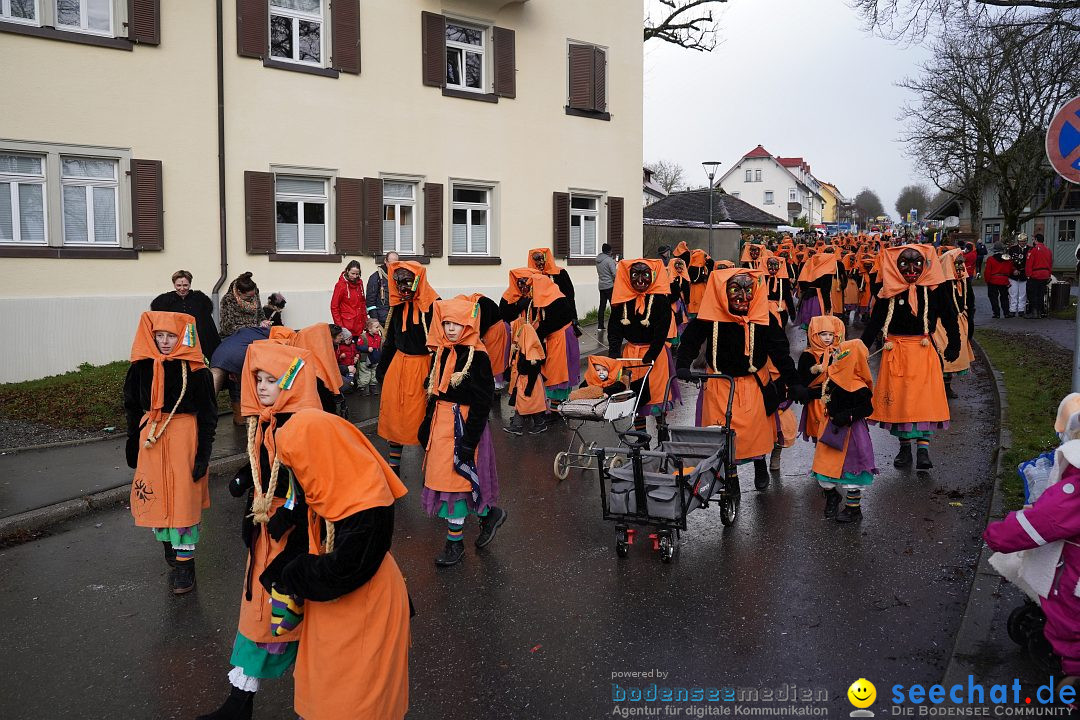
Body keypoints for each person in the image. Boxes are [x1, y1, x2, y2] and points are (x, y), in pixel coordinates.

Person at [195, 342, 322, 720]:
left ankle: (317, 702)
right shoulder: (264, 422)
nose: (263, 387)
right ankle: (239, 702)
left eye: (272, 380)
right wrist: (243, 480)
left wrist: (291, 515)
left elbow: (312, 483)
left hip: (295, 539)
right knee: (257, 612)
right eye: (258, 379)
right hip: (267, 532)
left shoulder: (304, 426)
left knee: (299, 616)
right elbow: (266, 465)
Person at [261, 408, 411, 720]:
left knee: (356, 698)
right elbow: (307, 537)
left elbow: (347, 568)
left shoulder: (367, 499)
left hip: (366, 605)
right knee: (326, 688)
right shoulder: (329, 485)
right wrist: (279, 574)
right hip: (334, 606)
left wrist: (295, 574)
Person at [984, 398, 1080, 698]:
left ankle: (1072, 667)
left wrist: (998, 533)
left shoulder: (1074, 491)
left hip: (1075, 571)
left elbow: (1041, 522)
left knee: (1068, 612)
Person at [675, 268, 803, 491]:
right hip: (720, 383)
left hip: (753, 384)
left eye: (748, 291)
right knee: (723, 434)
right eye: (735, 290)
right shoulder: (710, 318)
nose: (743, 298)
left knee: (755, 432)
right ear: (724, 292)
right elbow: (690, 340)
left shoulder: (764, 318)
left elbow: (780, 351)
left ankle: (759, 463)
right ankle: (730, 476)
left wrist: (794, 381)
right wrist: (683, 365)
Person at [124, 311, 217, 594]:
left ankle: (185, 565)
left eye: (171, 336)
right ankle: (170, 548)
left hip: (183, 440)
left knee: (182, 503)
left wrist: (203, 454)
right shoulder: (141, 366)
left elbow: (209, 415)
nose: (164, 342)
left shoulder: (197, 371)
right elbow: (130, 405)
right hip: (151, 439)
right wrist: (132, 440)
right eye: (159, 336)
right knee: (158, 498)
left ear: (182, 337)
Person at [417, 296, 507, 567]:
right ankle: (489, 514)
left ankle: (454, 544)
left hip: (464, 426)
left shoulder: (477, 356)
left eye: (457, 323)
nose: (451, 329)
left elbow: (483, 402)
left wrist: (469, 441)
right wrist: (426, 422)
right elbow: (436, 391)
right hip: (441, 424)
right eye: (446, 323)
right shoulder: (442, 352)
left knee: (455, 484)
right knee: (454, 481)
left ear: (468, 324)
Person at [859, 244, 960, 471]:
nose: (911, 268)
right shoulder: (889, 289)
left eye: (917, 262)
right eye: (905, 263)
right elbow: (875, 321)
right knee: (901, 402)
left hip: (923, 352)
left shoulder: (935, 288)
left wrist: (955, 343)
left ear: (926, 265)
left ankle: (923, 450)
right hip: (896, 352)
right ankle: (904, 449)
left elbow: (949, 316)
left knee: (924, 401)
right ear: (896, 266)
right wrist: (860, 349)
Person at [375, 260, 439, 475]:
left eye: (407, 282)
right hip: (399, 366)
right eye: (398, 283)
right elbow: (391, 339)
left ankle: (430, 468)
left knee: (424, 418)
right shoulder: (398, 305)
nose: (402, 288)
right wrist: (382, 367)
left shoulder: (432, 305)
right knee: (396, 416)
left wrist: (433, 374)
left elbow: (440, 344)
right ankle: (394, 466)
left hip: (423, 366)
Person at [606, 259, 679, 436]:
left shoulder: (660, 300)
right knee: (635, 395)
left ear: (652, 277)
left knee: (657, 394)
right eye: (635, 274)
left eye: (645, 275)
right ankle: (641, 435)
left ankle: (662, 431)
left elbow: (662, 329)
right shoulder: (623, 301)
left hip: (655, 355)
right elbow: (614, 328)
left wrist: (653, 352)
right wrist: (614, 352)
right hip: (631, 354)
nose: (640, 280)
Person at [810, 339, 877, 522]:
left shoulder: (859, 386)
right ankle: (832, 496)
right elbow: (822, 394)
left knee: (851, 471)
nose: (835, 355)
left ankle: (853, 509)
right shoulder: (832, 378)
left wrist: (847, 416)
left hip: (852, 434)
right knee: (824, 468)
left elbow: (867, 409)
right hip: (831, 431)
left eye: (840, 353)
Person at [151, 270, 221, 359]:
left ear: (190, 284)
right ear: (174, 285)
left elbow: (207, 322)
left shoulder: (200, 300)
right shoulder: (164, 301)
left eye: (185, 285)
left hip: (198, 339)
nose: (182, 288)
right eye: (179, 285)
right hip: (175, 340)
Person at [934, 249, 976, 399]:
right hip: (942, 324)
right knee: (943, 355)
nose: (960, 267)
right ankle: (938, 387)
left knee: (956, 357)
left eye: (961, 263)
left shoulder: (965, 281)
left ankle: (947, 386)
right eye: (956, 264)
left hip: (961, 321)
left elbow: (970, 301)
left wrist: (970, 322)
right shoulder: (940, 283)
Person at [797, 315, 845, 444]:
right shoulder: (807, 356)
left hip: (834, 401)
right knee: (819, 436)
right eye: (824, 334)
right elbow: (801, 378)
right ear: (814, 335)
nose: (828, 338)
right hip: (815, 402)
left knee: (834, 435)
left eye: (831, 334)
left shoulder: (838, 354)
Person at [505, 318, 547, 435]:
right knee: (528, 405)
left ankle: (518, 426)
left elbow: (533, 372)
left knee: (525, 404)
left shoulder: (532, 353)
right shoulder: (526, 350)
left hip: (529, 383)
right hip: (525, 381)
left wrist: (529, 387)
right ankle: (537, 424)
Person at [219, 272, 264, 338]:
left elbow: (261, 314)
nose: (252, 299)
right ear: (239, 292)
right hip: (235, 338)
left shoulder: (254, 294)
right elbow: (227, 328)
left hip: (255, 334)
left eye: (253, 296)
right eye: (248, 297)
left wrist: (264, 322)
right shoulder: (228, 300)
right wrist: (254, 326)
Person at [330, 260, 366, 337]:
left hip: (359, 324)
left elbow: (362, 303)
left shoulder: (360, 283)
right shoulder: (340, 285)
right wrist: (341, 327)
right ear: (347, 271)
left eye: (357, 274)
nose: (355, 276)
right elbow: (334, 307)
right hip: (347, 325)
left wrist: (365, 320)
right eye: (352, 273)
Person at [367, 252, 399, 329]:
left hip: (396, 319)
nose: (393, 266)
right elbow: (370, 301)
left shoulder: (399, 277)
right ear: (385, 261)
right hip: (381, 320)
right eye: (391, 263)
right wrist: (375, 320)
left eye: (396, 263)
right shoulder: (376, 277)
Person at [1025, 233, 1053, 319]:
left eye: (1033, 240)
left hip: (1035, 274)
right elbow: (1050, 264)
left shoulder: (1033, 250)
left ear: (1036, 240)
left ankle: (1034, 312)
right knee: (1041, 294)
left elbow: (1029, 264)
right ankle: (1040, 312)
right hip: (1044, 274)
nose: (1033, 241)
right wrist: (1048, 275)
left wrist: (1028, 275)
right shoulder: (1048, 250)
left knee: (1033, 294)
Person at [354, 318, 383, 395]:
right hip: (365, 359)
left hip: (376, 359)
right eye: (376, 327)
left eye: (379, 327)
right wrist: (366, 348)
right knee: (365, 374)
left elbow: (380, 346)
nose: (378, 329)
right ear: (369, 329)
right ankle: (362, 388)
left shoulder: (379, 337)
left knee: (374, 374)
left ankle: (373, 387)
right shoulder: (363, 336)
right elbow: (358, 346)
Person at [984, 244, 1013, 318]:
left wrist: (987, 280)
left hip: (993, 280)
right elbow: (1010, 270)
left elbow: (987, 272)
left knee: (993, 297)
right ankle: (1006, 312)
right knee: (1004, 297)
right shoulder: (1007, 259)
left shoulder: (990, 259)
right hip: (1004, 280)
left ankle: (996, 313)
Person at [595, 243, 617, 332]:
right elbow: (614, 274)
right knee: (614, 306)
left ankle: (600, 326)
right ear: (609, 251)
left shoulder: (597, 260)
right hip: (609, 286)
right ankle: (614, 325)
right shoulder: (609, 260)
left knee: (602, 306)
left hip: (601, 285)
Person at [1008, 234, 1030, 318]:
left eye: (1024, 241)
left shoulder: (1029, 249)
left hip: (1024, 274)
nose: (1023, 243)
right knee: (1013, 293)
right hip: (1013, 274)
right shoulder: (1012, 249)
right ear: (1018, 241)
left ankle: (1021, 310)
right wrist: (1013, 269)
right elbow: (1009, 261)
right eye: (1021, 241)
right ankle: (1012, 310)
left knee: (1023, 293)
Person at [331, 325, 357, 392]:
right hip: (339, 369)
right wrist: (346, 369)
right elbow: (331, 367)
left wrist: (356, 356)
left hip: (345, 366)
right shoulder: (331, 348)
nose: (341, 337)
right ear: (332, 337)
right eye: (339, 335)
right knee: (346, 384)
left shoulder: (336, 346)